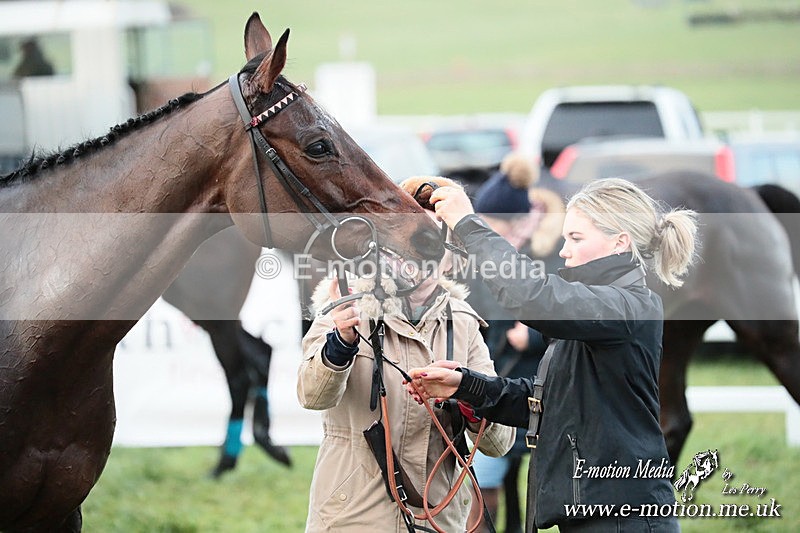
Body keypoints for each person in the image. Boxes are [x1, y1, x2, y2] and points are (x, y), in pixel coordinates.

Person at [407, 177, 697, 532]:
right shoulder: (596, 312)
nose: (563, 250)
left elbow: (532, 296)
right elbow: (545, 403)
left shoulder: (628, 307)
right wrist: (465, 386)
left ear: (620, 243)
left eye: (576, 238)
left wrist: (468, 225)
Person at [297, 176, 515, 533]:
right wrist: (342, 342)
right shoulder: (344, 305)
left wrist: (466, 393)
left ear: (450, 258)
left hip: (438, 519)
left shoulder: (462, 323)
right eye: (409, 238)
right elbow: (311, 395)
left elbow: (498, 443)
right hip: (352, 518)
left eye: (431, 242)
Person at [460, 152, 559, 533]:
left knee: (528, 485)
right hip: (497, 381)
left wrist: (531, 336)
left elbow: (566, 318)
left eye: (491, 225)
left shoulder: (542, 259)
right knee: (486, 478)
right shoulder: (490, 261)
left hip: (531, 384)